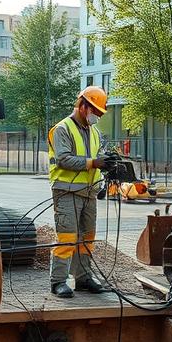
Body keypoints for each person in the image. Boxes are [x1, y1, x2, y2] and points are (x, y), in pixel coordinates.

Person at [47, 86, 116, 298]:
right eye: (95, 111)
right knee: (67, 236)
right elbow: (63, 159)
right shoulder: (63, 129)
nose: (97, 116)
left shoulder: (93, 132)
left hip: (88, 192)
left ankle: (83, 278)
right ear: (83, 105)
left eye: (100, 113)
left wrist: (106, 161)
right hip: (66, 191)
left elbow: (96, 156)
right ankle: (58, 281)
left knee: (87, 237)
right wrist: (94, 162)